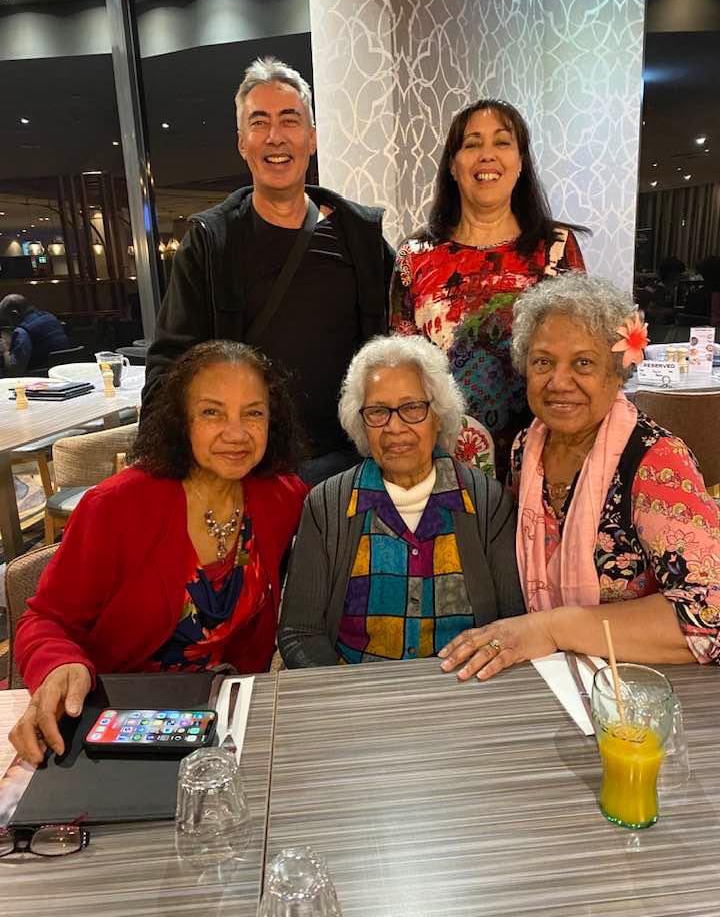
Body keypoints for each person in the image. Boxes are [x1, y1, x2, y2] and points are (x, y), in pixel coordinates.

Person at [10, 340, 307, 763]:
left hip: (225, 723)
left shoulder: (282, 496)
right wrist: (58, 665)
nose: (237, 433)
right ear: (181, 420)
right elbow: (46, 619)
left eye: (253, 413)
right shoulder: (116, 507)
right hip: (115, 721)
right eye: (212, 412)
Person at [438, 274, 720, 682]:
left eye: (583, 363)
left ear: (616, 372)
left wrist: (553, 628)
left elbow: (709, 614)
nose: (558, 382)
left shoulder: (657, 463)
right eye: (543, 362)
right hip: (556, 680)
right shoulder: (525, 449)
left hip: (648, 687)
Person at [143, 56, 395, 485]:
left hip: (349, 465)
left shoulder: (361, 239)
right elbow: (170, 366)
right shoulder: (210, 243)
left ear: (311, 138)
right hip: (248, 470)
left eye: (289, 120)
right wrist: (163, 471)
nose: (275, 137)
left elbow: (397, 344)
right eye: (259, 123)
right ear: (242, 142)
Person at [278, 335, 524, 667]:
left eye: (411, 408)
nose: (394, 427)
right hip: (356, 694)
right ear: (362, 422)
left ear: (437, 415)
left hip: (463, 691)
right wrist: (347, 701)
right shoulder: (326, 506)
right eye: (378, 411)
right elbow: (300, 634)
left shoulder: (487, 503)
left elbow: (511, 624)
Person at [390, 99, 587, 477]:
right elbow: (406, 375)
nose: (487, 156)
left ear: (521, 162)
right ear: (452, 164)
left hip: (545, 458)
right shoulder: (415, 257)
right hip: (447, 464)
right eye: (471, 143)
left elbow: (577, 358)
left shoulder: (557, 247)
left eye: (501, 142)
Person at [0, 294, 70, 373]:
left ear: (15, 314)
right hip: (63, 369)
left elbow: (16, 369)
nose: (10, 323)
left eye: (8, 319)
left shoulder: (23, 331)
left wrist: (5, 350)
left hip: (40, 375)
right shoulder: (50, 317)